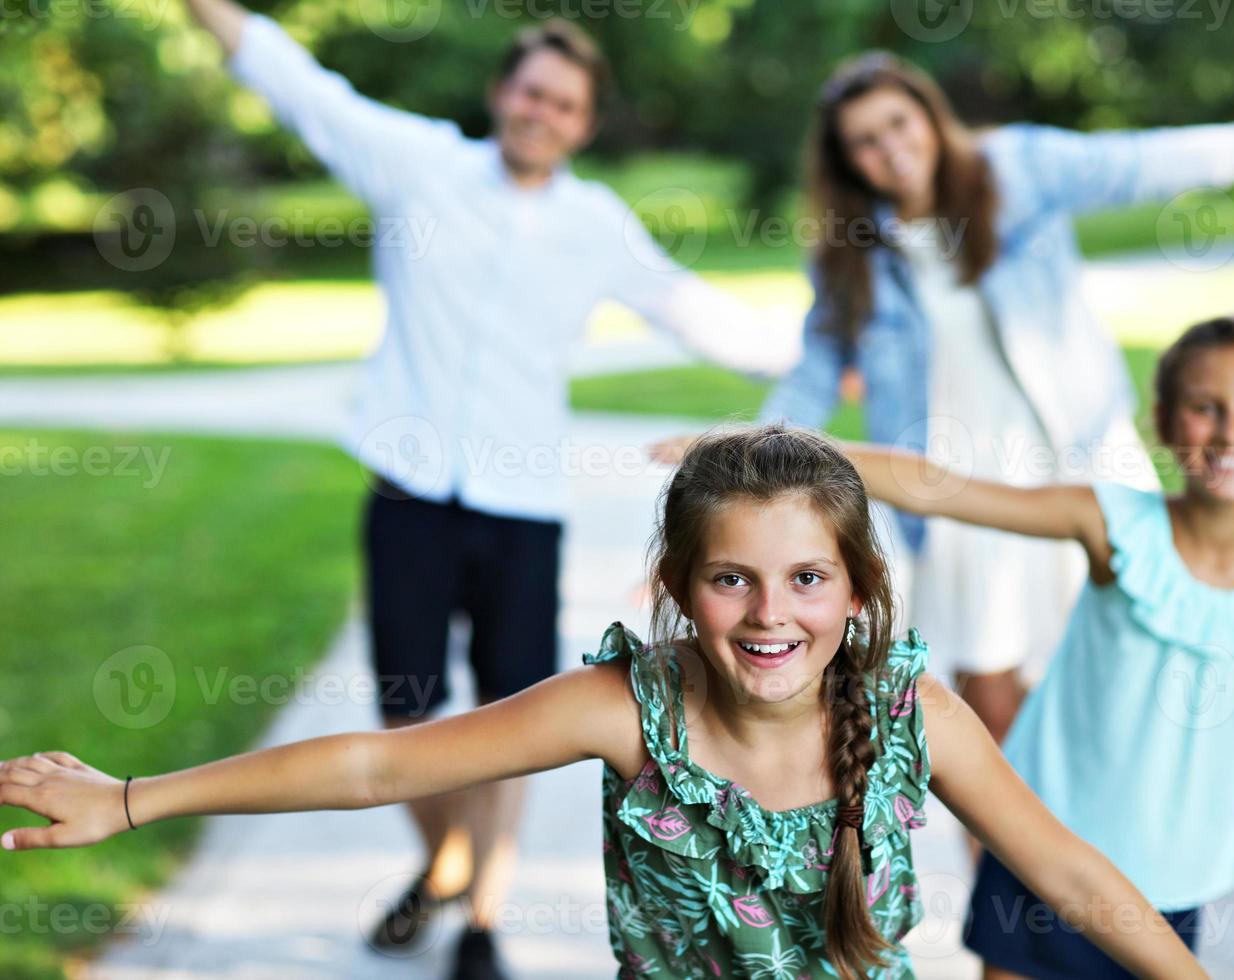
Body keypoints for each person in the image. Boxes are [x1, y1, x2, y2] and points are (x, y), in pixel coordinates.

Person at [1, 424, 1216, 980]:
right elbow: (381, 764)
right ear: (679, 589)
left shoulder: (913, 714)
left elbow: (1069, 872)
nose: (769, 613)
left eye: (806, 577)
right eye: (731, 577)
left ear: (856, 588)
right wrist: (130, 796)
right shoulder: (624, 707)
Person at [174, 2, 790, 973]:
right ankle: (446, 859)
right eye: (532, 91)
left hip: (523, 507)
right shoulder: (417, 164)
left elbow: (694, 310)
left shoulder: (594, 223)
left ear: (583, 124)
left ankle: (483, 919)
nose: (543, 112)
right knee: (407, 712)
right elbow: (298, 85)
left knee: (512, 716)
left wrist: (824, 352)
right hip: (411, 491)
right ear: (502, 93)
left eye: (565, 103)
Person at [759, 51, 1234, 749]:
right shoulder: (853, 252)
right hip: (954, 491)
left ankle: (1088, 849)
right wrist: (747, 450)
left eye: (898, 123)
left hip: (1078, 462)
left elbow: (1152, 160)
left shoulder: (1016, 170)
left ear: (930, 117)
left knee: (1112, 683)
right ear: (847, 160)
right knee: (989, 710)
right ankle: (998, 860)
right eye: (866, 140)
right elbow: (816, 370)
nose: (891, 149)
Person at [835, 316, 1234, 979]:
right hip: (1044, 856)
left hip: (1171, 888)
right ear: (1165, 423)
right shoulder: (1114, 526)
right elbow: (944, 489)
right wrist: (781, 449)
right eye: (1206, 408)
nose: (1230, 431)